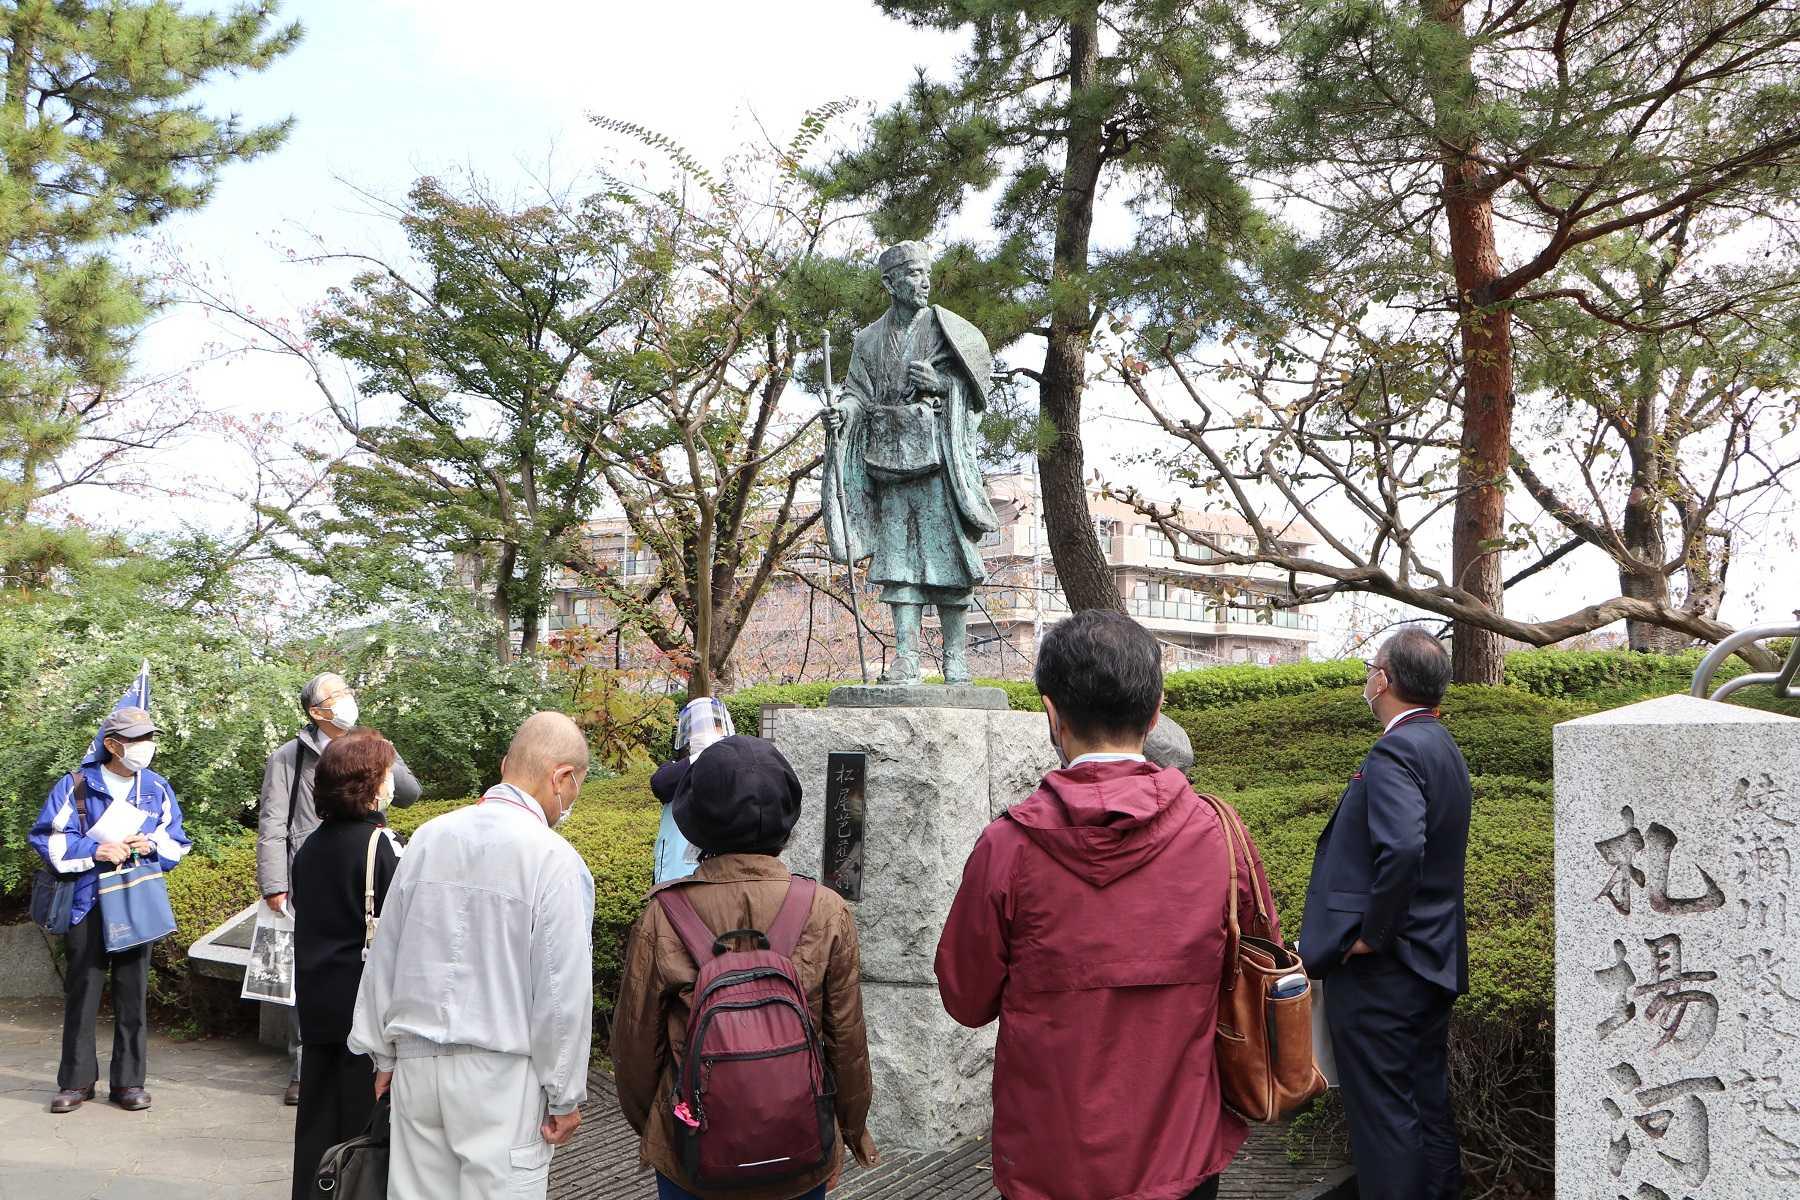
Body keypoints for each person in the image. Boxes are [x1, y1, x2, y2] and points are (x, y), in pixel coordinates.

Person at [935, 610, 1276, 1200]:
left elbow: (966, 998)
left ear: (1051, 713)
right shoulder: (1217, 835)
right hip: (1183, 1149)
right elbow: (1254, 965)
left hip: (1050, 1158)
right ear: (1155, 710)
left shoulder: (1008, 847)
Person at [611, 734, 879, 1200]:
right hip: (798, 1146)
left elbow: (635, 1047)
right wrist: (849, 1131)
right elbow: (846, 1041)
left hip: (692, 1157)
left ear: (695, 818)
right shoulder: (825, 910)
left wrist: (658, 1127)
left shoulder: (664, 916)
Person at [348, 711, 595, 1200]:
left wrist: (383, 1055)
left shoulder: (429, 838)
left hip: (416, 1067)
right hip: (501, 1077)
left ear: (506, 764)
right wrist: (565, 1093)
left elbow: (386, 953)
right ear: (562, 777)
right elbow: (560, 992)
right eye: (575, 787)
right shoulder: (554, 860)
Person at [1298, 627, 1471, 1200]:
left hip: (1385, 972)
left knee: (1385, 1121)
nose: (1367, 679)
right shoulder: (1442, 744)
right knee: (1425, 1107)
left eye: (1371, 669)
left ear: (1385, 680)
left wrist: (1372, 934)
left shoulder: (1397, 748)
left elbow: (1401, 849)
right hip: (1431, 962)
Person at [821, 239, 999, 685]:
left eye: (926, 273)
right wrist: (842, 412)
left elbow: (976, 395)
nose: (924, 282)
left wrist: (942, 385)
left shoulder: (945, 329)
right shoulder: (867, 339)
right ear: (890, 282)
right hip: (889, 460)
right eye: (914, 274)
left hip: (937, 463)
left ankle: (956, 659)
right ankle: (905, 659)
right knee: (898, 561)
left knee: (950, 563)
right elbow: (857, 394)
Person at [258, 671, 420, 1104]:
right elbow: (272, 822)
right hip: (310, 869)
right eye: (337, 695)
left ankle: (362, 1056)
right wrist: (274, 882)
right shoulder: (290, 756)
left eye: (348, 690)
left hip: (359, 862)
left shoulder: (372, 748)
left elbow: (411, 794)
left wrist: (384, 757)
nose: (349, 699)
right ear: (315, 711)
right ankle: (304, 1065)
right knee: (309, 971)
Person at [28, 706, 191, 1115]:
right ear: (112, 745)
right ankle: (76, 1082)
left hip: (135, 900)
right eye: (136, 740)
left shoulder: (156, 787)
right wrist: (95, 849)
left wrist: (150, 845)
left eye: (149, 738)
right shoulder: (76, 785)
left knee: (133, 993)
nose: (145, 747)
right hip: (87, 903)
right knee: (82, 991)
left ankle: (129, 1083)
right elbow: (48, 840)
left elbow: (177, 842)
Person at [288, 728, 403, 1200]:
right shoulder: (383, 844)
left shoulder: (311, 847)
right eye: (389, 772)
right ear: (371, 783)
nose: (394, 782)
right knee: (363, 1135)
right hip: (363, 1010)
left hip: (316, 1005)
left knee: (315, 1126)